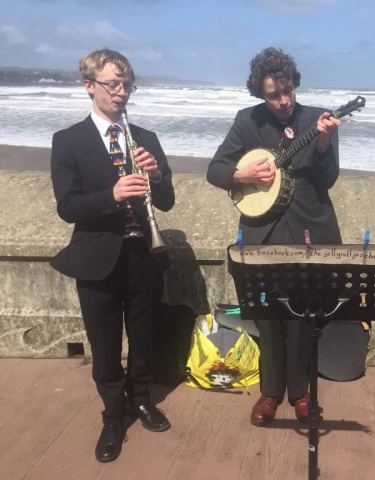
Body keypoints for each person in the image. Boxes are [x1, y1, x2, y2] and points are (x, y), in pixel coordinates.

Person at [50, 48, 175, 463]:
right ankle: (112, 413)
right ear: (90, 86)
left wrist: (156, 176)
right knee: (105, 345)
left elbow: (168, 201)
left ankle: (141, 399)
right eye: (113, 85)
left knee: (143, 337)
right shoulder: (67, 140)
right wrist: (112, 194)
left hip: (143, 255)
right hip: (96, 259)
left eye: (127, 85)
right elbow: (68, 206)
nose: (122, 93)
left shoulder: (146, 138)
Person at [206, 47, 342, 426]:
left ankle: (299, 392)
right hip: (261, 231)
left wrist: (321, 143)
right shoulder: (247, 121)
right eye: (273, 94)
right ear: (260, 94)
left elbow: (328, 179)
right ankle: (270, 391)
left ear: (295, 84)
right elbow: (215, 169)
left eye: (288, 91)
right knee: (266, 314)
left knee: (300, 314)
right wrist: (242, 176)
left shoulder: (318, 119)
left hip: (307, 230)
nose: (283, 101)